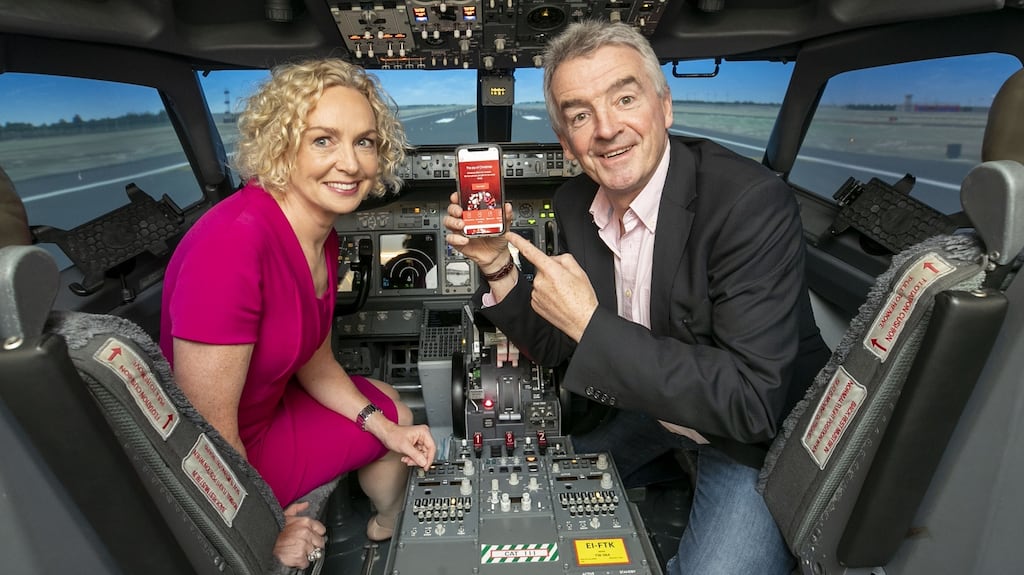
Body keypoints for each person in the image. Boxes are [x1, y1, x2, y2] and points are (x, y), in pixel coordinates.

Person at [445, 21, 829, 575]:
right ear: (565, 142)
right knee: (540, 486)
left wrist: (589, 322)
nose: (606, 129)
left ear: (664, 107)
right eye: (580, 115)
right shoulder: (575, 200)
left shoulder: (747, 203)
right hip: (652, 405)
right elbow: (558, 346)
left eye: (624, 98)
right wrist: (497, 266)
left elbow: (751, 402)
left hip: (753, 435)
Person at [160, 58, 436, 569]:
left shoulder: (318, 233)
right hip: (222, 457)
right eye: (323, 140)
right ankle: (387, 528)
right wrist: (264, 527)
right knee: (392, 414)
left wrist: (384, 428)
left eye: (365, 141)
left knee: (393, 411)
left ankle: (386, 525)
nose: (350, 164)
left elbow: (314, 356)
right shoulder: (233, 245)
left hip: (260, 418)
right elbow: (204, 428)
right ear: (282, 146)